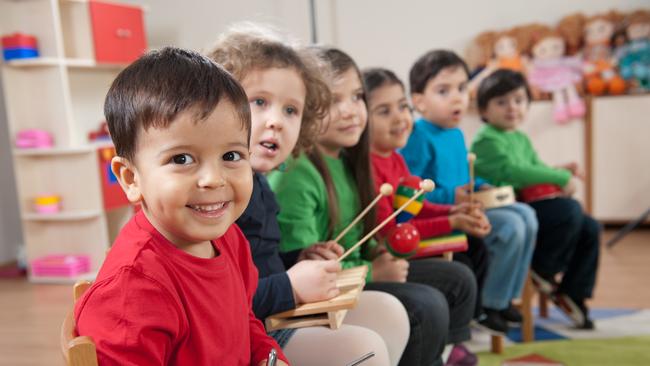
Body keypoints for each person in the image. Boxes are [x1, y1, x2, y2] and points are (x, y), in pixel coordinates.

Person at [207, 25, 409, 366]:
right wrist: (290, 285)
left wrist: (298, 258)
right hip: (249, 336)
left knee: (390, 312)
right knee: (364, 348)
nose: (277, 121)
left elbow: (260, 263)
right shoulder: (216, 196)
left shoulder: (259, 184)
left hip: (271, 315)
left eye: (291, 110)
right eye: (259, 102)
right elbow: (220, 297)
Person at [74, 47, 288, 365]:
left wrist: (270, 358)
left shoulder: (228, 239)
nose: (213, 180)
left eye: (231, 156)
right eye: (182, 159)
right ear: (131, 178)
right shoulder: (132, 294)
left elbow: (246, 322)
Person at [270, 47, 478, 366]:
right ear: (304, 108)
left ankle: (444, 356)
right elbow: (305, 272)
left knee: (457, 278)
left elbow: (361, 239)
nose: (351, 110)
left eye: (356, 97)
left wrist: (377, 255)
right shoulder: (298, 175)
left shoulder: (349, 160)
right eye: (333, 100)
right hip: (330, 291)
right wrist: (372, 272)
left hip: (355, 273)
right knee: (426, 305)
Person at [400, 50, 538, 333]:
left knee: (527, 215)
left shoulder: (456, 133)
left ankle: (502, 300)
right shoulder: (418, 135)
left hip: (465, 205)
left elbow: (463, 174)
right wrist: (452, 196)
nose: (457, 98)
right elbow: (411, 194)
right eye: (443, 91)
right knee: (511, 225)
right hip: (445, 214)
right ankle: (488, 304)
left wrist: (481, 183)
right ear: (419, 101)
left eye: (462, 88)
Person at [471, 68, 600, 329]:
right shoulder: (486, 140)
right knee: (569, 211)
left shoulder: (519, 137)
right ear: (484, 110)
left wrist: (560, 171)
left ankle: (572, 291)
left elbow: (536, 169)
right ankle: (542, 267)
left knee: (590, 227)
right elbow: (513, 172)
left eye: (519, 101)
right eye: (501, 102)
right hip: (507, 207)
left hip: (526, 206)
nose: (512, 108)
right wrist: (561, 177)